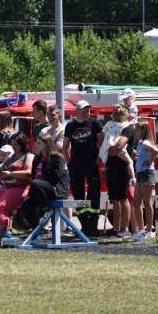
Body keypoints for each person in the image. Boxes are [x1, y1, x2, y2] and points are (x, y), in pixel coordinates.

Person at [0, 132, 34, 247]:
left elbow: (29, 173)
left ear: (22, 144)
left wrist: (10, 174)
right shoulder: (12, 157)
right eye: (12, 145)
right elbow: (5, 171)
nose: (13, 147)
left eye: (15, 145)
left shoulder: (28, 156)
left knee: (2, 207)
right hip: (5, 186)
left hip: (20, 187)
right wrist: (1, 173)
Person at [62, 100, 104, 237]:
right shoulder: (70, 126)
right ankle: (84, 226)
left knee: (94, 194)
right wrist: (68, 163)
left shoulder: (95, 124)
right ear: (77, 112)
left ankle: (93, 226)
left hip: (91, 164)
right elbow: (64, 147)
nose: (87, 113)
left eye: (88, 111)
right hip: (76, 166)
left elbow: (103, 145)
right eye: (84, 111)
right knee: (78, 195)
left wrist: (97, 162)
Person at [20, 133, 69, 230]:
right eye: (36, 143)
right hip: (39, 190)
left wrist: (39, 183)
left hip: (53, 189)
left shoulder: (57, 158)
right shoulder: (37, 158)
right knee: (27, 203)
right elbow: (33, 176)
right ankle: (37, 231)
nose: (36, 145)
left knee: (35, 183)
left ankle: (46, 209)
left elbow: (55, 177)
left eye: (39, 143)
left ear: (47, 144)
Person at [105, 113, 136, 238]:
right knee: (115, 198)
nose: (117, 118)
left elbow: (118, 146)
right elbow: (106, 143)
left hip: (123, 167)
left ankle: (125, 228)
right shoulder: (112, 127)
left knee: (123, 198)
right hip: (112, 166)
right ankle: (116, 227)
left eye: (120, 115)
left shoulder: (128, 129)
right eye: (116, 115)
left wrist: (108, 152)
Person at [130, 122, 158, 241]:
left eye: (137, 130)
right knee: (136, 202)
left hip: (147, 173)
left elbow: (155, 151)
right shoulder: (141, 143)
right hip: (140, 173)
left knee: (147, 202)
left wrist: (150, 161)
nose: (135, 132)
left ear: (143, 131)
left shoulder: (146, 142)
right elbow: (142, 156)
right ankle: (141, 229)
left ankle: (149, 231)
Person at [98, 105, 136, 185]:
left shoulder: (109, 123)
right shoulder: (125, 125)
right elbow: (118, 146)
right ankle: (133, 178)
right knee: (129, 161)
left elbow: (103, 132)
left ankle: (104, 168)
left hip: (108, 146)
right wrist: (132, 120)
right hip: (119, 150)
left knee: (105, 155)